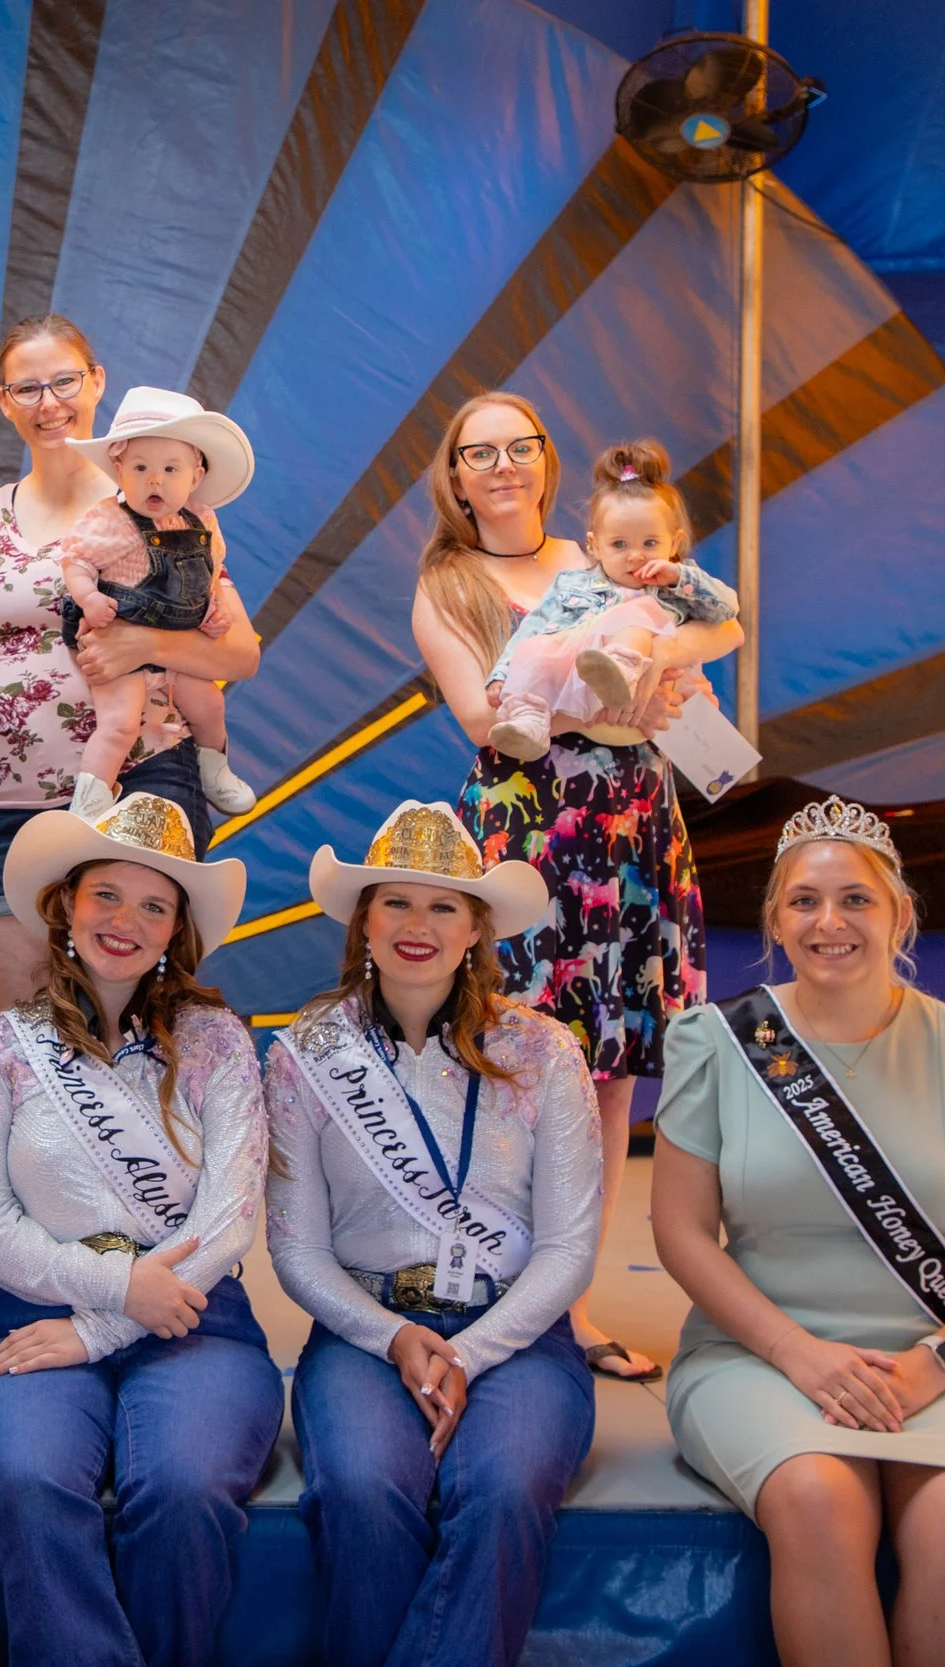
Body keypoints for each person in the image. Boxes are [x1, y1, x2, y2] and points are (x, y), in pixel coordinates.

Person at [651, 796, 945, 1667]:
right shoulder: (718, 1042)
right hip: (759, 1357)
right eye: (803, 900)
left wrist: (933, 1365)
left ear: (899, 912)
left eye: (855, 899)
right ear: (773, 918)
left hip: (944, 1360)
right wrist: (801, 1355)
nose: (827, 921)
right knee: (817, 1498)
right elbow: (681, 1233)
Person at [411, 391, 740, 1382]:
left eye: (521, 446)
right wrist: (612, 697)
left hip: (633, 829)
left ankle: (572, 1303)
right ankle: (486, 1282)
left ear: (548, 461)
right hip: (526, 839)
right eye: (481, 452)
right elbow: (483, 717)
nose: (502, 465)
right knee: (510, 1067)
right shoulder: (446, 583)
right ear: (455, 473)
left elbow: (700, 644)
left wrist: (668, 665)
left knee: (608, 1080)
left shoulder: (604, 550)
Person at [264, 800, 600, 1667]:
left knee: (503, 1485)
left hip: (515, 1332)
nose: (419, 925)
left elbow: (567, 1248)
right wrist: (397, 1336)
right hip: (366, 1330)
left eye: (444, 905)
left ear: (476, 927)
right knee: (364, 1488)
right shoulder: (304, 1052)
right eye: (396, 902)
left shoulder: (546, 1052)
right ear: (362, 920)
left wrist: (471, 1352)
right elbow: (297, 1250)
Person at [0, 790, 279, 1667]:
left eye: (154, 904)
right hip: (33, 1315)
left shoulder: (216, 1041)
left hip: (193, 1317)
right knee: (29, 1479)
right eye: (107, 894)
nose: (125, 920)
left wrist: (104, 1323)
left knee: (184, 1486)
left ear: (177, 928)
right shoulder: (2, 1047)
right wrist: (109, 1288)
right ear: (66, 904)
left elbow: (229, 1219)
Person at [0, 314, 262, 1009]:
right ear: (4, 402)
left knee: (134, 1020)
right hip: (4, 802)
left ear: (97, 383)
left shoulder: (161, 501)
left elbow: (239, 650)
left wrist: (145, 645)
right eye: (27, 388)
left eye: (64, 381)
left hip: (137, 781)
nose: (48, 403)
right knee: (26, 1026)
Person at [57, 385, 260, 819]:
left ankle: (214, 769)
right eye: (141, 467)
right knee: (121, 721)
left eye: (171, 469)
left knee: (210, 704)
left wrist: (213, 607)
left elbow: (208, 575)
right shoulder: (111, 521)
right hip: (117, 637)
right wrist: (89, 597)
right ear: (120, 469)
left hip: (175, 646)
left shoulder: (200, 519)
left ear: (196, 477)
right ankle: (89, 803)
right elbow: (75, 560)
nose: (155, 479)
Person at [482, 441, 738, 761]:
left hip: (647, 702)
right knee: (535, 648)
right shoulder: (574, 584)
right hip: (587, 700)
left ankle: (621, 668)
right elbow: (532, 628)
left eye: (650, 542)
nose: (634, 555)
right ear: (595, 545)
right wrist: (503, 673)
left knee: (636, 616)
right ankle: (528, 720)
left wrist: (679, 577)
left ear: (674, 543)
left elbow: (728, 610)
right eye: (618, 544)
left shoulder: (676, 584)